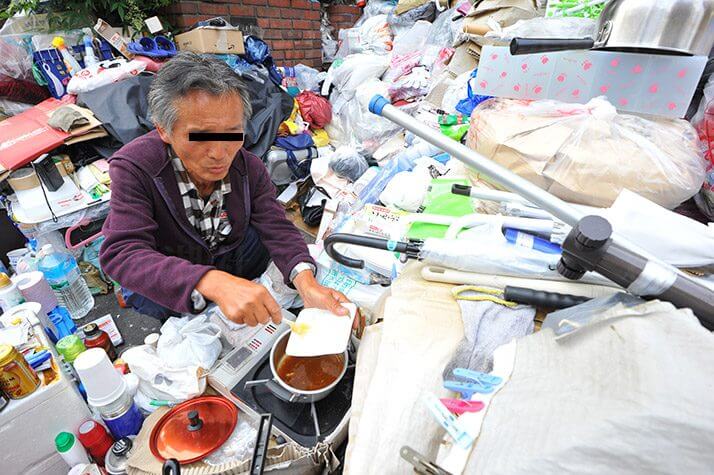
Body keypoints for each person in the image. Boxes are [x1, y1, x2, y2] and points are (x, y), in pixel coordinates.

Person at [99, 52, 350, 325]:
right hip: (174, 278)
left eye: (231, 133)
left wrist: (305, 280)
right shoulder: (137, 167)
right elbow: (122, 252)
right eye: (201, 137)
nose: (220, 153)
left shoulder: (248, 166)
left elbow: (275, 225)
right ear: (164, 131)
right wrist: (210, 281)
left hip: (231, 256)